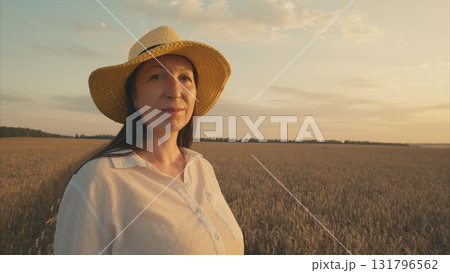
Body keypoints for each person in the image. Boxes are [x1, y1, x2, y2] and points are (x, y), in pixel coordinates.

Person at [54, 26, 244, 254]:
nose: (175, 91)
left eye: (185, 78)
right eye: (157, 76)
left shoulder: (202, 169)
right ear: (134, 95)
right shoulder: (99, 181)